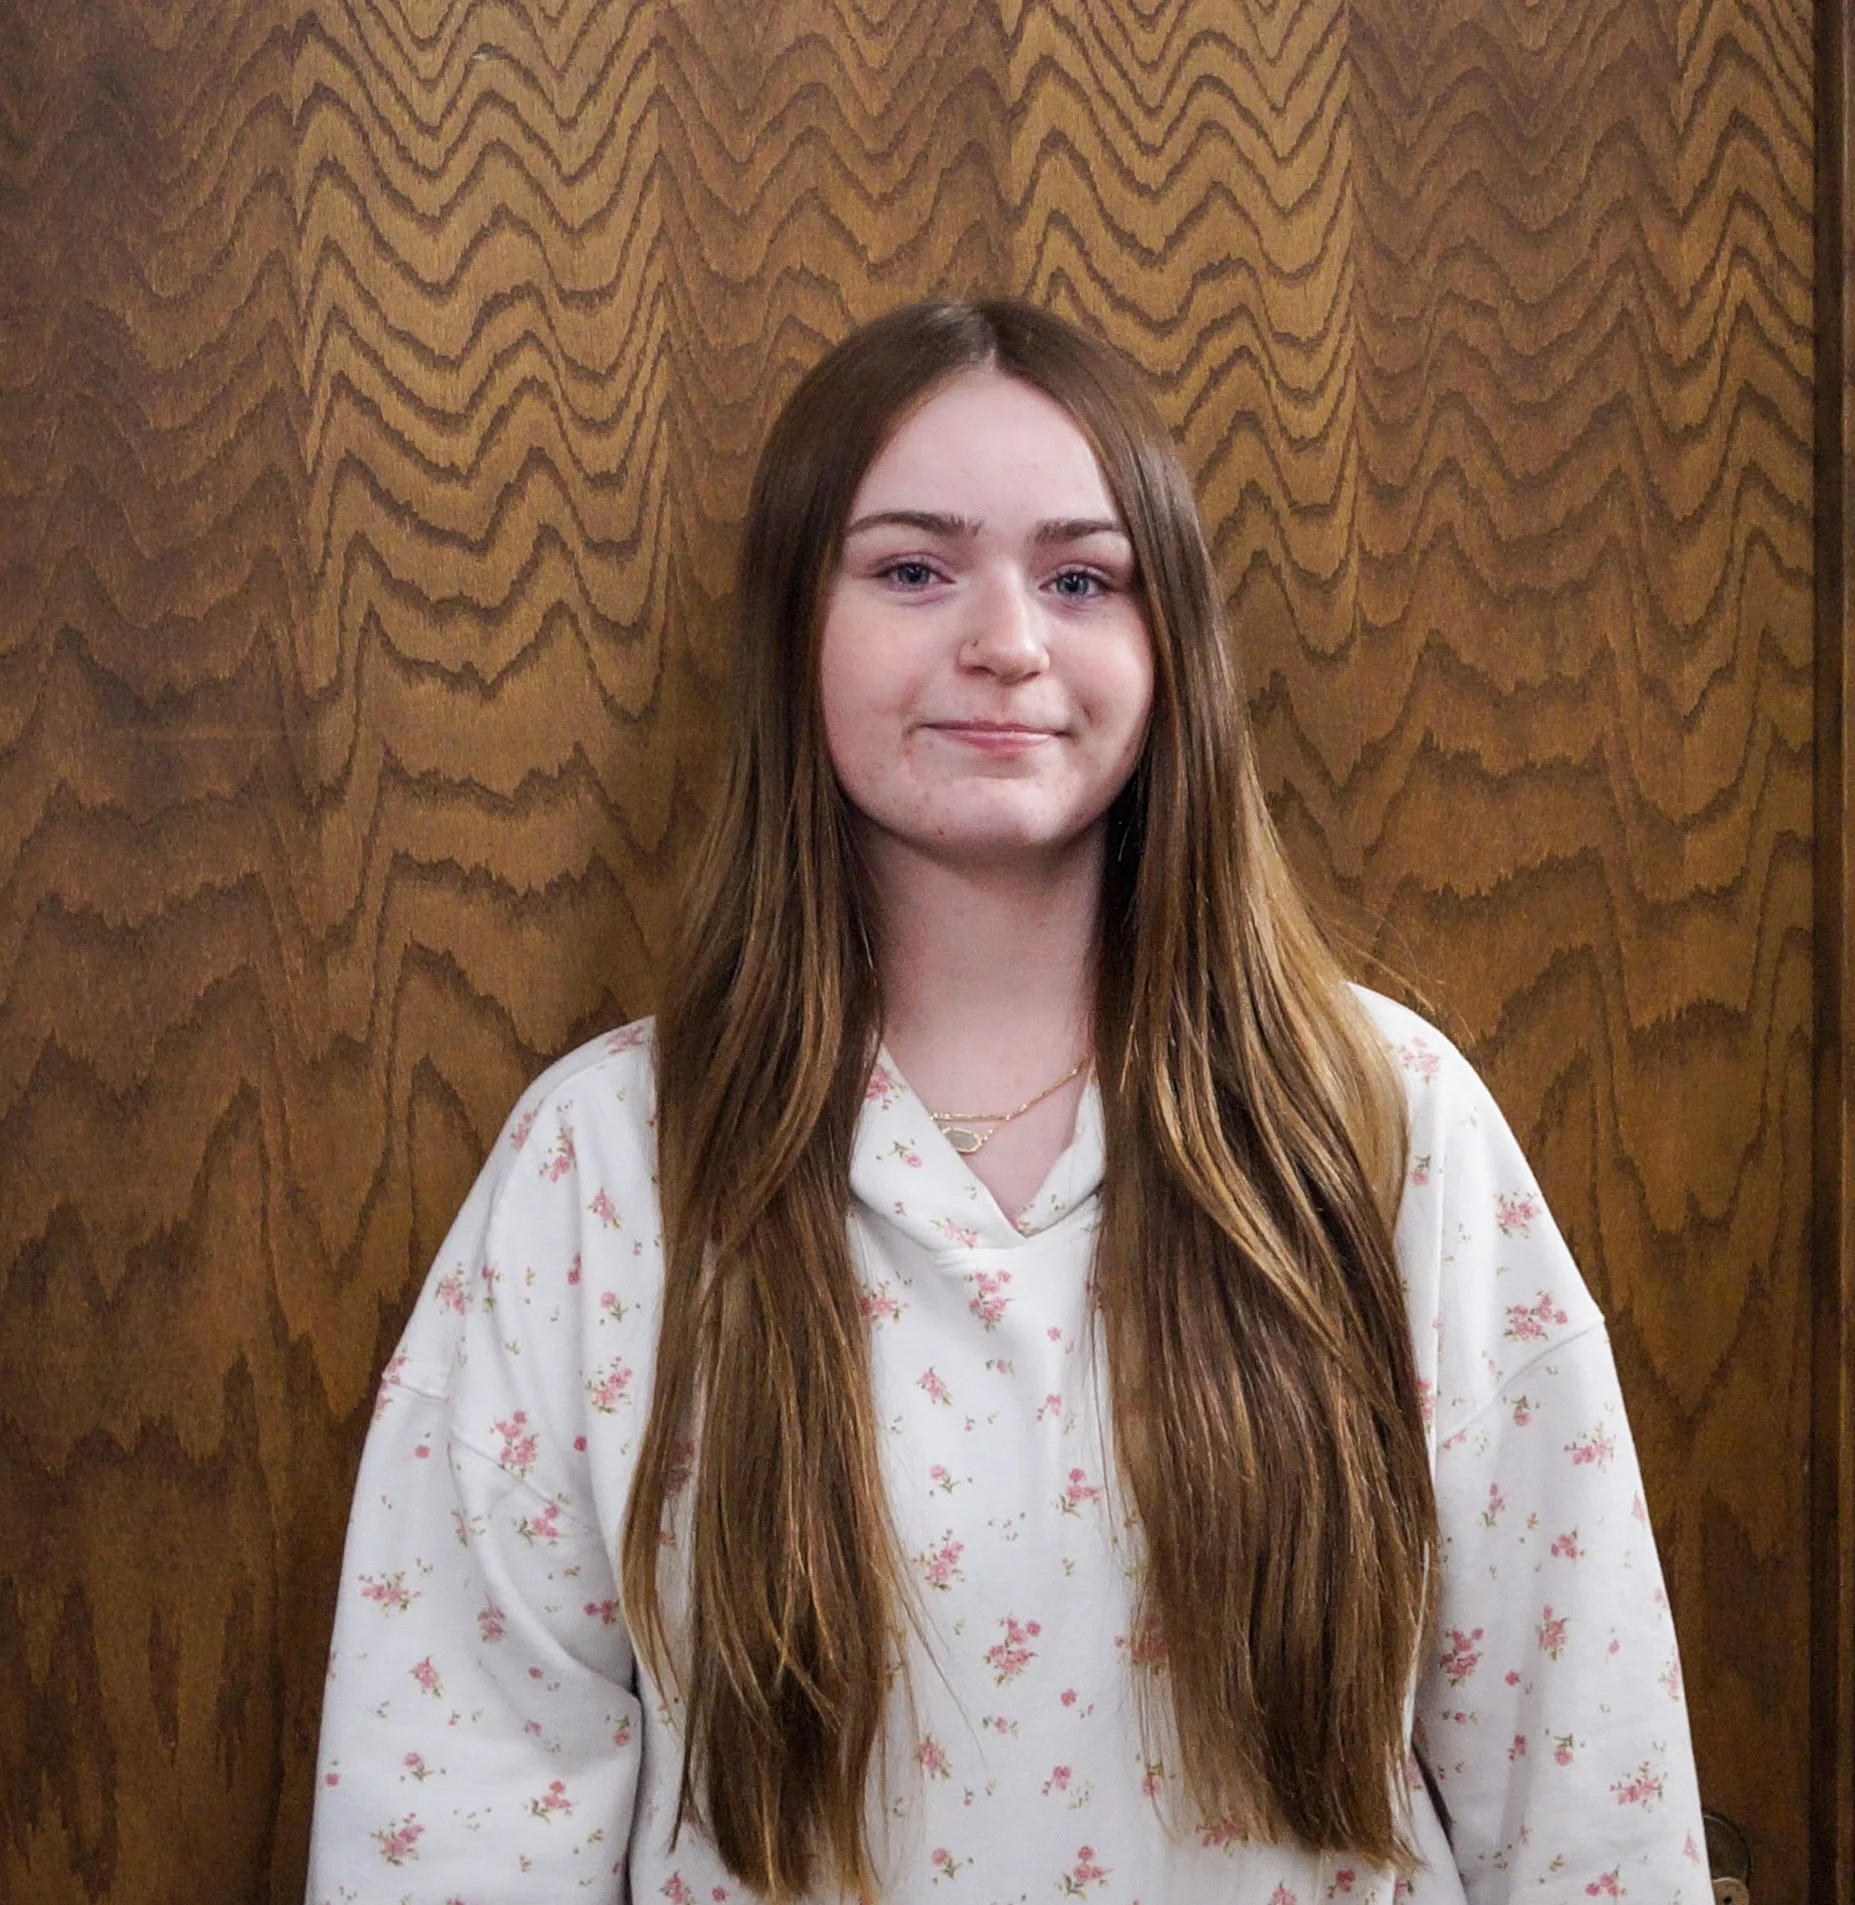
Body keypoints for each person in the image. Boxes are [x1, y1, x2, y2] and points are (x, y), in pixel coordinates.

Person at [306, 299, 1708, 1904]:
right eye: (911, 569)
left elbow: (1580, 1766)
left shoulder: (1382, 1124)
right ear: (793, 631)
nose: (1006, 641)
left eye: (1081, 578)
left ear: (1166, 639)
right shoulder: (608, 1164)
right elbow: (465, 1804)